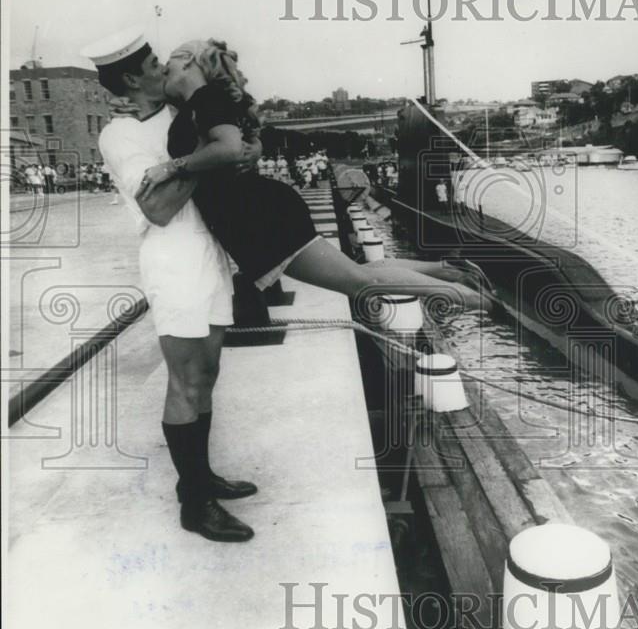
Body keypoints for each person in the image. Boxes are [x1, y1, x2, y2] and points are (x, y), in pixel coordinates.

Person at [137, 38, 491, 310]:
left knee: (359, 281)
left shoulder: (206, 101)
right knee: (361, 275)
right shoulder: (204, 102)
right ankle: (451, 272)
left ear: (187, 62)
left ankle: (476, 300)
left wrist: (172, 166)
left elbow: (228, 148)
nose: (164, 69)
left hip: (256, 218)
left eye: (168, 62)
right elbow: (237, 141)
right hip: (257, 212)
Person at [83, 27, 258, 543]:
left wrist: (240, 150)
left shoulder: (181, 114)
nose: (165, 69)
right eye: (155, 63)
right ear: (133, 76)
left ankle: (203, 476)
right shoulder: (121, 136)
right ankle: (194, 502)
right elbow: (157, 207)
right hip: (173, 257)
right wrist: (212, 156)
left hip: (210, 250)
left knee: (208, 371)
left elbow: (235, 144)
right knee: (185, 380)